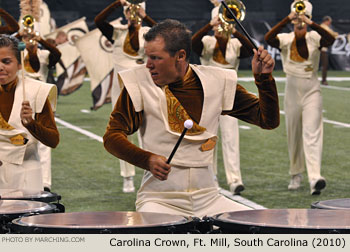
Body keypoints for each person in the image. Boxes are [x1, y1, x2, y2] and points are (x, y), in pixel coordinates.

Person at [103, 19, 279, 218]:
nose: (148, 65)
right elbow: (112, 136)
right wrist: (147, 159)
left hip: (210, 197)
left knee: (259, 229)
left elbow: (268, 120)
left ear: (180, 56)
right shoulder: (138, 83)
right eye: (147, 57)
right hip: (159, 199)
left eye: (156, 58)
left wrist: (264, 79)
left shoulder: (218, 81)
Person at [264, 0, 335, 195]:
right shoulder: (286, 38)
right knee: (294, 134)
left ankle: (315, 178)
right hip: (292, 89)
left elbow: (330, 40)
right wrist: (287, 19)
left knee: (312, 133)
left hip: (312, 89)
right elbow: (269, 38)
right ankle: (295, 174)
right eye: (297, 19)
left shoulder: (314, 37)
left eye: (303, 18)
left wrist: (310, 23)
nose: (300, 22)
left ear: (309, 18)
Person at [95, 0, 156, 193]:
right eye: (130, 10)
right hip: (121, 89)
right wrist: (115, 4)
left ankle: (151, 170)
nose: (133, 13)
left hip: (144, 85)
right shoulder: (117, 32)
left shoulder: (147, 32)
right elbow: (98, 20)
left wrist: (143, 15)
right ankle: (127, 177)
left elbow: (163, 33)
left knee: (149, 130)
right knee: (123, 132)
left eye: (136, 10)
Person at [191, 9, 254, 195]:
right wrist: (209, 26)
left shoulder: (235, 43)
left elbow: (251, 49)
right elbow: (193, 44)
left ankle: (235, 180)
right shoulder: (208, 41)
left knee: (231, 138)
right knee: (208, 139)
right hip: (208, 95)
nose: (221, 25)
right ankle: (210, 177)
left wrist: (234, 30)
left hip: (229, 96)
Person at [0, 34, 59, 192]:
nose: (0, 67)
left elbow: (53, 140)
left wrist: (31, 124)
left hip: (27, 178)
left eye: (6, 61)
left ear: (19, 64)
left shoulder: (36, 91)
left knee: (24, 217)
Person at [320, 16, 338, 86]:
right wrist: (336, 34)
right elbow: (331, 33)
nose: (330, 24)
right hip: (321, 49)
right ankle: (323, 80)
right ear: (326, 21)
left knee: (323, 65)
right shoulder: (323, 27)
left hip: (322, 48)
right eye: (329, 22)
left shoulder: (322, 27)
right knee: (324, 65)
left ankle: (323, 80)